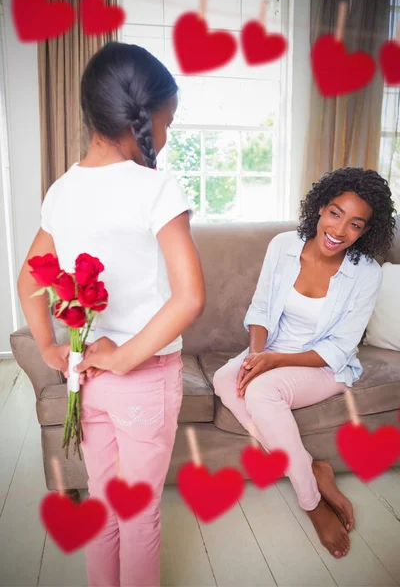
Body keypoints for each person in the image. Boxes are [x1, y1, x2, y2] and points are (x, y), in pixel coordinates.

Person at [17, 42, 205, 587]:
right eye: (166, 123)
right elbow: (190, 297)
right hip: (138, 377)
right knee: (138, 513)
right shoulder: (157, 187)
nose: (165, 138)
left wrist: (54, 350)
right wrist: (123, 358)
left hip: (85, 373)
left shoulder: (62, 189)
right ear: (142, 120)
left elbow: (30, 281)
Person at [213, 167, 396, 560]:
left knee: (261, 391)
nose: (339, 229)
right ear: (319, 209)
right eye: (335, 213)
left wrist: (273, 362)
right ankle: (312, 467)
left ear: (366, 231)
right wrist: (257, 355)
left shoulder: (367, 274)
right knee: (224, 378)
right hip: (273, 348)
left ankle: (312, 503)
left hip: (324, 365)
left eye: (355, 224)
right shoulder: (282, 246)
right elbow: (261, 307)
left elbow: (340, 347)